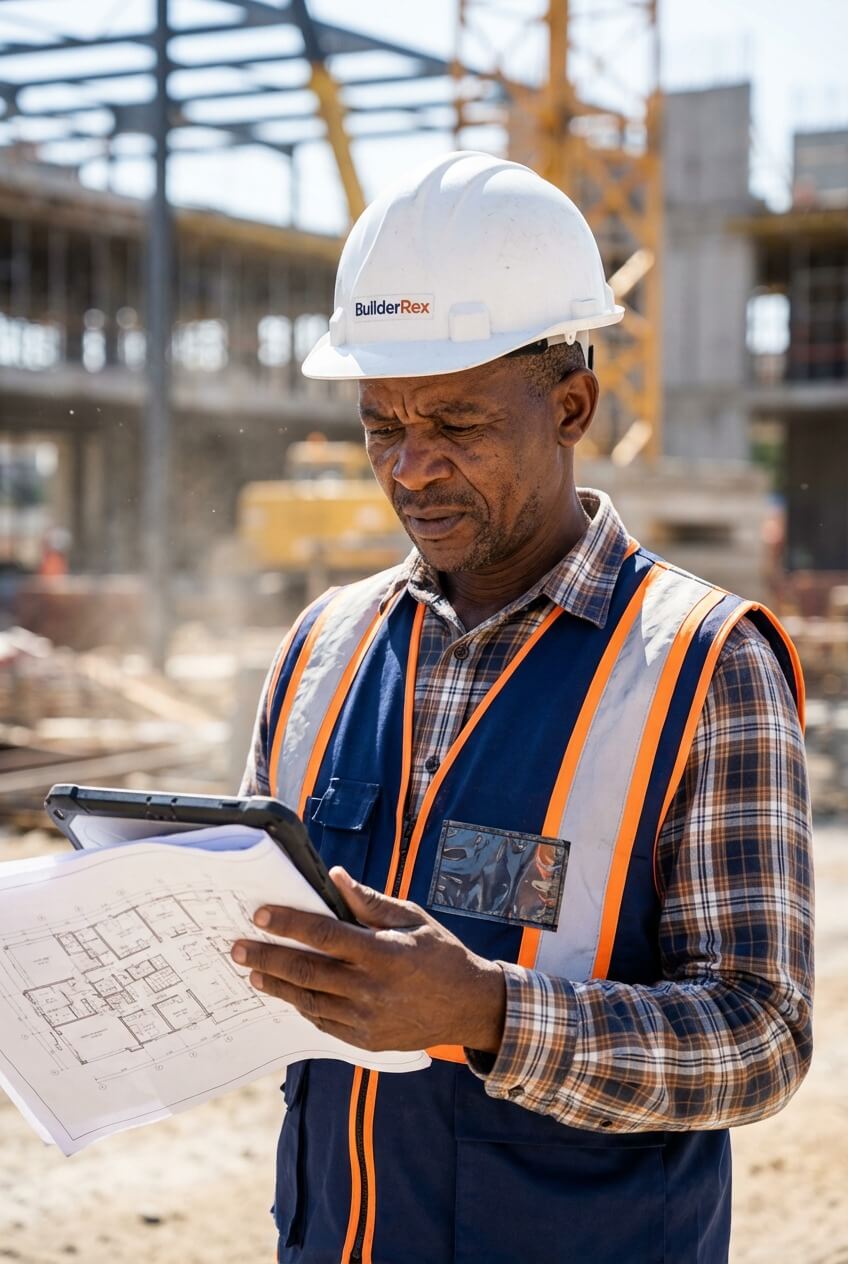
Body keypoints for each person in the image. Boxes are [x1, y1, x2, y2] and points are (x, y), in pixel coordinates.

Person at [235, 151, 813, 1264]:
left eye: (456, 423)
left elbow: (760, 1039)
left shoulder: (702, 664)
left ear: (570, 407)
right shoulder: (320, 648)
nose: (412, 469)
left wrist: (488, 1015)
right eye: (381, 424)